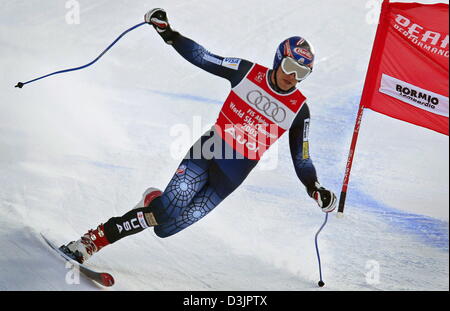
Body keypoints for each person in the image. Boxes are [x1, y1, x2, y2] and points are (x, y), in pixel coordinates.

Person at [60, 8, 337, 264]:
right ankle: (90, 242)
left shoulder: (300, 111)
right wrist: (170, 34)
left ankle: (153, 201)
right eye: (290, 66)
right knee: (166, 211)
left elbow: (302, 159)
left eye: (302, 73)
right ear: (279, 59)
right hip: (210, 150)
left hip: (233, 175)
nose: (293, 76)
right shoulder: (246, 72)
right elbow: (204, 57)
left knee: (166, 228)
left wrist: (314, 188)